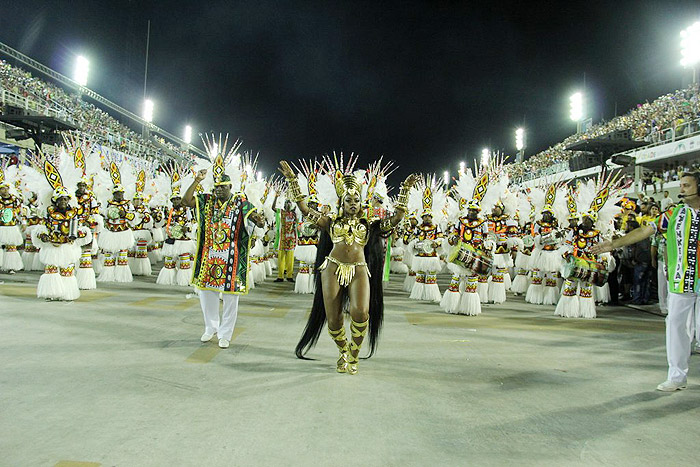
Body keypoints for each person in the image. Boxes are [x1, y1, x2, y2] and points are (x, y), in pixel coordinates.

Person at [282, 159, 416, 374]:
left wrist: (405, 190)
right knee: (334, 318)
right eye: (348, 200)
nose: (353, 203)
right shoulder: (330, 222)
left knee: (361, 312)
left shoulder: (370, 224)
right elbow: (304, 208)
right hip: (333, 268)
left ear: (361, 202)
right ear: (341, 203)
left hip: (359, 268)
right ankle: (343, 350)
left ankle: (354, 354)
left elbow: (398, 217)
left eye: (356, 199)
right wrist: (292, 181)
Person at [592, 171, 700, 391]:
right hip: (681, 280)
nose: (681, 189)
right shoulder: (673, 213)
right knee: (676, 326)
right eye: (681, 185)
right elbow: (644, 230)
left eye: (687, 186)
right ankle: (677, 376)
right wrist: (614, 244)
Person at [182, 165, 265, 349]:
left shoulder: (241, 203)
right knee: (206, 294)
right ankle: (210, 327)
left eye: (223, 187)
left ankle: (225, 333)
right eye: (216, 187)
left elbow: (255, 217)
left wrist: (259, 220)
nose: (218, 190)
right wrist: (197, 181)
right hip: (209, 257)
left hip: (232, 259)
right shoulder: (206, 201)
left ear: (230, 187)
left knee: (230, 298)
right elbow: (186, 201)